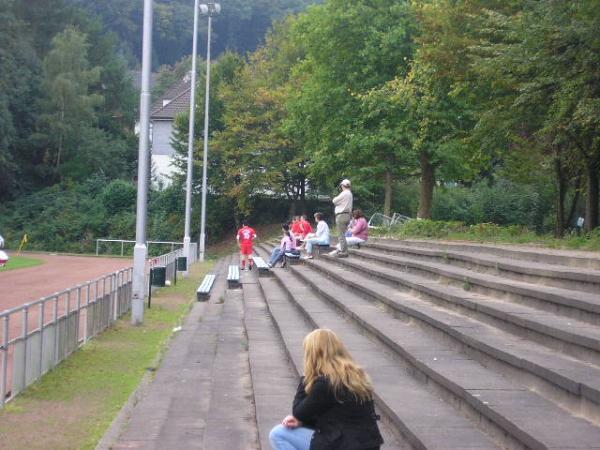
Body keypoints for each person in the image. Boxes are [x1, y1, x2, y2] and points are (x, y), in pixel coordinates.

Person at [269, 328, 383, 450]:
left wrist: (306, 377)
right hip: (367, 445)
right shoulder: (357, 376)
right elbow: (329, 414)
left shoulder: (326, 383)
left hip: (343, 444)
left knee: (278, 434)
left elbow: (298, 412)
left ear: (314, 355)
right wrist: (302, 422)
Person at [329, 179, 353, 258]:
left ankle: (343, 252)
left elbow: (334, 200)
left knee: (341, 235)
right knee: (343, 234)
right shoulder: (350, 194)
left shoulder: (344, 193)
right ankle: (344, 250)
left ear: (343, 186)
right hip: (347, 215)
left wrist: (338, 202)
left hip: (341, 215)